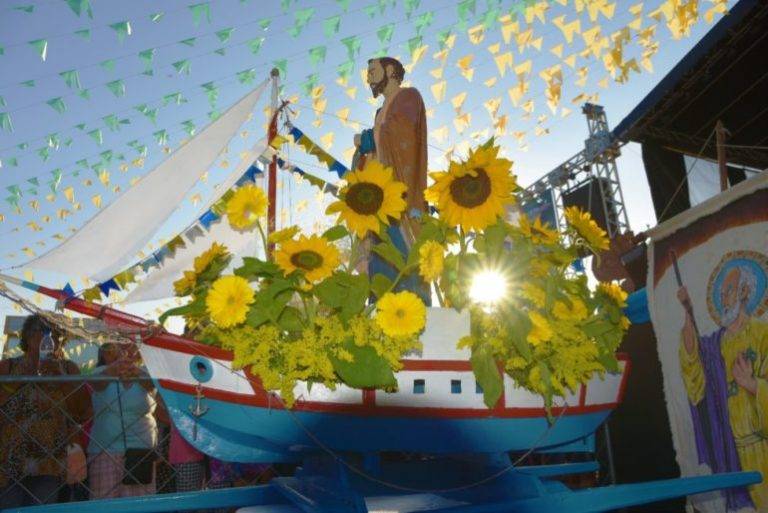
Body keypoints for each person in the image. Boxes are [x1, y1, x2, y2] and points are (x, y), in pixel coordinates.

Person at [678, 263, 768, 510]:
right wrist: (688, 311)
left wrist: (752, 384)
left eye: (728, 290)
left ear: (745, 291)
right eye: (721, 293)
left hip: (763, 450)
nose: (723, 298)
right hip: (730, 451)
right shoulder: (716, 344)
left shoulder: (763, 335)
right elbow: (692, 360)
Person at [353, 56, 430, 304]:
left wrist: (368, 138)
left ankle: (412, 311)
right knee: (378, 259)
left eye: (373, 72)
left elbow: (401, 134)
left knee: (403, 256)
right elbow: (377, 146)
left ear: (390, 70)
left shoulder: (409, 97)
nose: (369, 78)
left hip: (400, 199)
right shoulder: (379, 112)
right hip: (378, 201)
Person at [0, 314, 90, 507]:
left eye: (55, 335)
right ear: (28, 337)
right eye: (41, 332)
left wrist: (62, 380)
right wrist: (15, 382)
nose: (48, 339)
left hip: (50, 461)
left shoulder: (68, 368)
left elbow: (83, 412)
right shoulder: (8, 366)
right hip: (10, 460)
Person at [87, 342, 159, 499]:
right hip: (104, 451)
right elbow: (96, 384)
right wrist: (113, 370)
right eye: (120, 346)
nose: (125, 351)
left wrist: (135, 371)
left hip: (140, 452)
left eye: (130, 346)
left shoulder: (145, 372)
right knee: (104, 507)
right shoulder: (100, 371)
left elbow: (153, 384)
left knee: (140, 508)